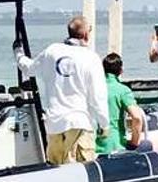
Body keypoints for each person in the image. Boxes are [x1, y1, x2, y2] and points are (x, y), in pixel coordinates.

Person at [16, 15, 109, 165]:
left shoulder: (52, 51)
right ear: (86, 34)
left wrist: (18, 53)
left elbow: (28, 68)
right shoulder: (91, 58)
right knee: (83, 173)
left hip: (54, 125)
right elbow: (98, 96)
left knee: (56, 171)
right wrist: (104, 124)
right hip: (80, 123)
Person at [95, 53, 148, 156]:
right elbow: (137, 118)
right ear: (120, 71)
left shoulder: (91, 88)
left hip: (92, 144)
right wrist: (134, 143)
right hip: (114, 144)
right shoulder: (122, 90)